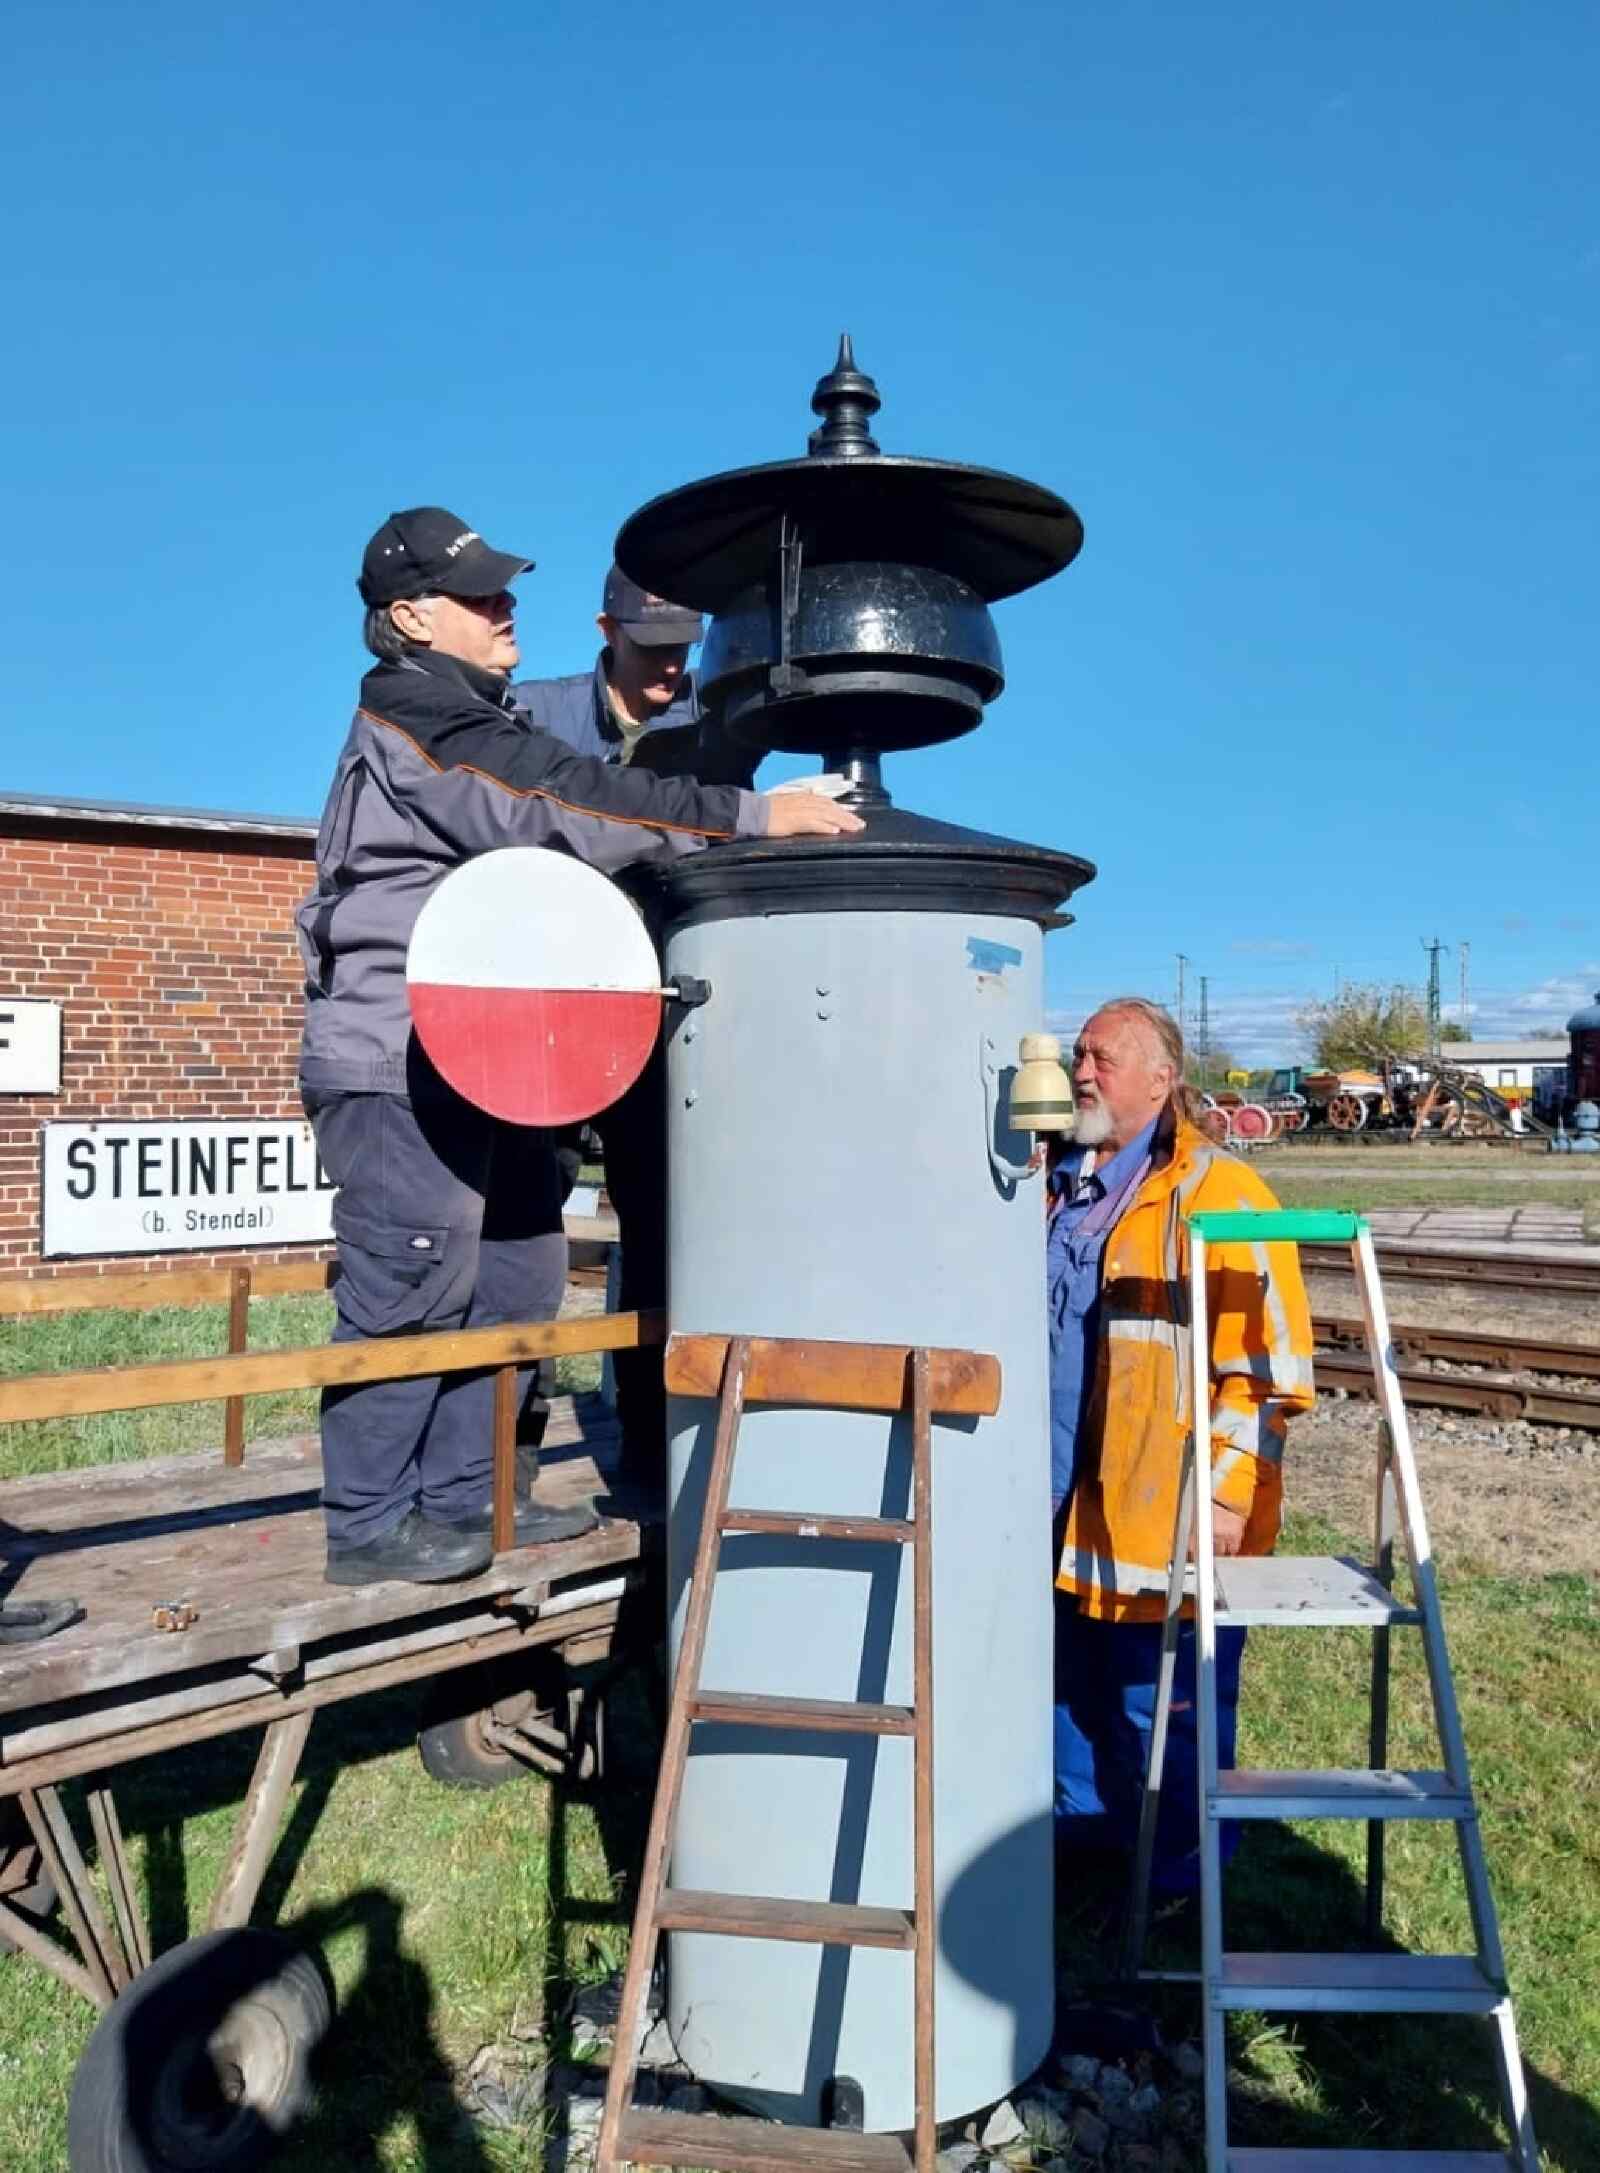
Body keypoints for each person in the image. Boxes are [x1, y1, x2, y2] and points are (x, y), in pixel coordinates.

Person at [296, 507, 862, 1587]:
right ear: (409, 617)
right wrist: (748, 816)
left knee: (517, 1271)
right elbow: (558, 803)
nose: (505, 607)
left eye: (505, 589)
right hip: (397, 1054)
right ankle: (369, 1523)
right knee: (411, 1282)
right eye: (478, 595)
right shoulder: (419, 714)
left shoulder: (475, 710)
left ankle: (474, 1499)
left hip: (486, 1058)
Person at [1049, 997, 1314, 1897]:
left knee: (1160, 1711)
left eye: (1103, 1057)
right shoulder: (1055, 1182)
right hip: (1065, 1507)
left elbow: (1268, 1370)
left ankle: (1181, 1892)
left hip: (1165, 1515)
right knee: (1072, 1697)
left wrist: (1230, 1494)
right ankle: (1088, 1863)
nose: (1082, 1071)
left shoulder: (1220, 1192)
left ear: (1162, 1079)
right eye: (1079, 1054)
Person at [514, 565, 752, 1497]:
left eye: (682, 649)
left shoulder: (718, 729)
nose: (670, 668)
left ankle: (657, 1461)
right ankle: (506, 1466)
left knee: (663, 1234)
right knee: (520, 1234)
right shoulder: (532, 716)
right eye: (651, 648)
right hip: (551, 1014)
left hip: (659, 1016)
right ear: (605, 630)